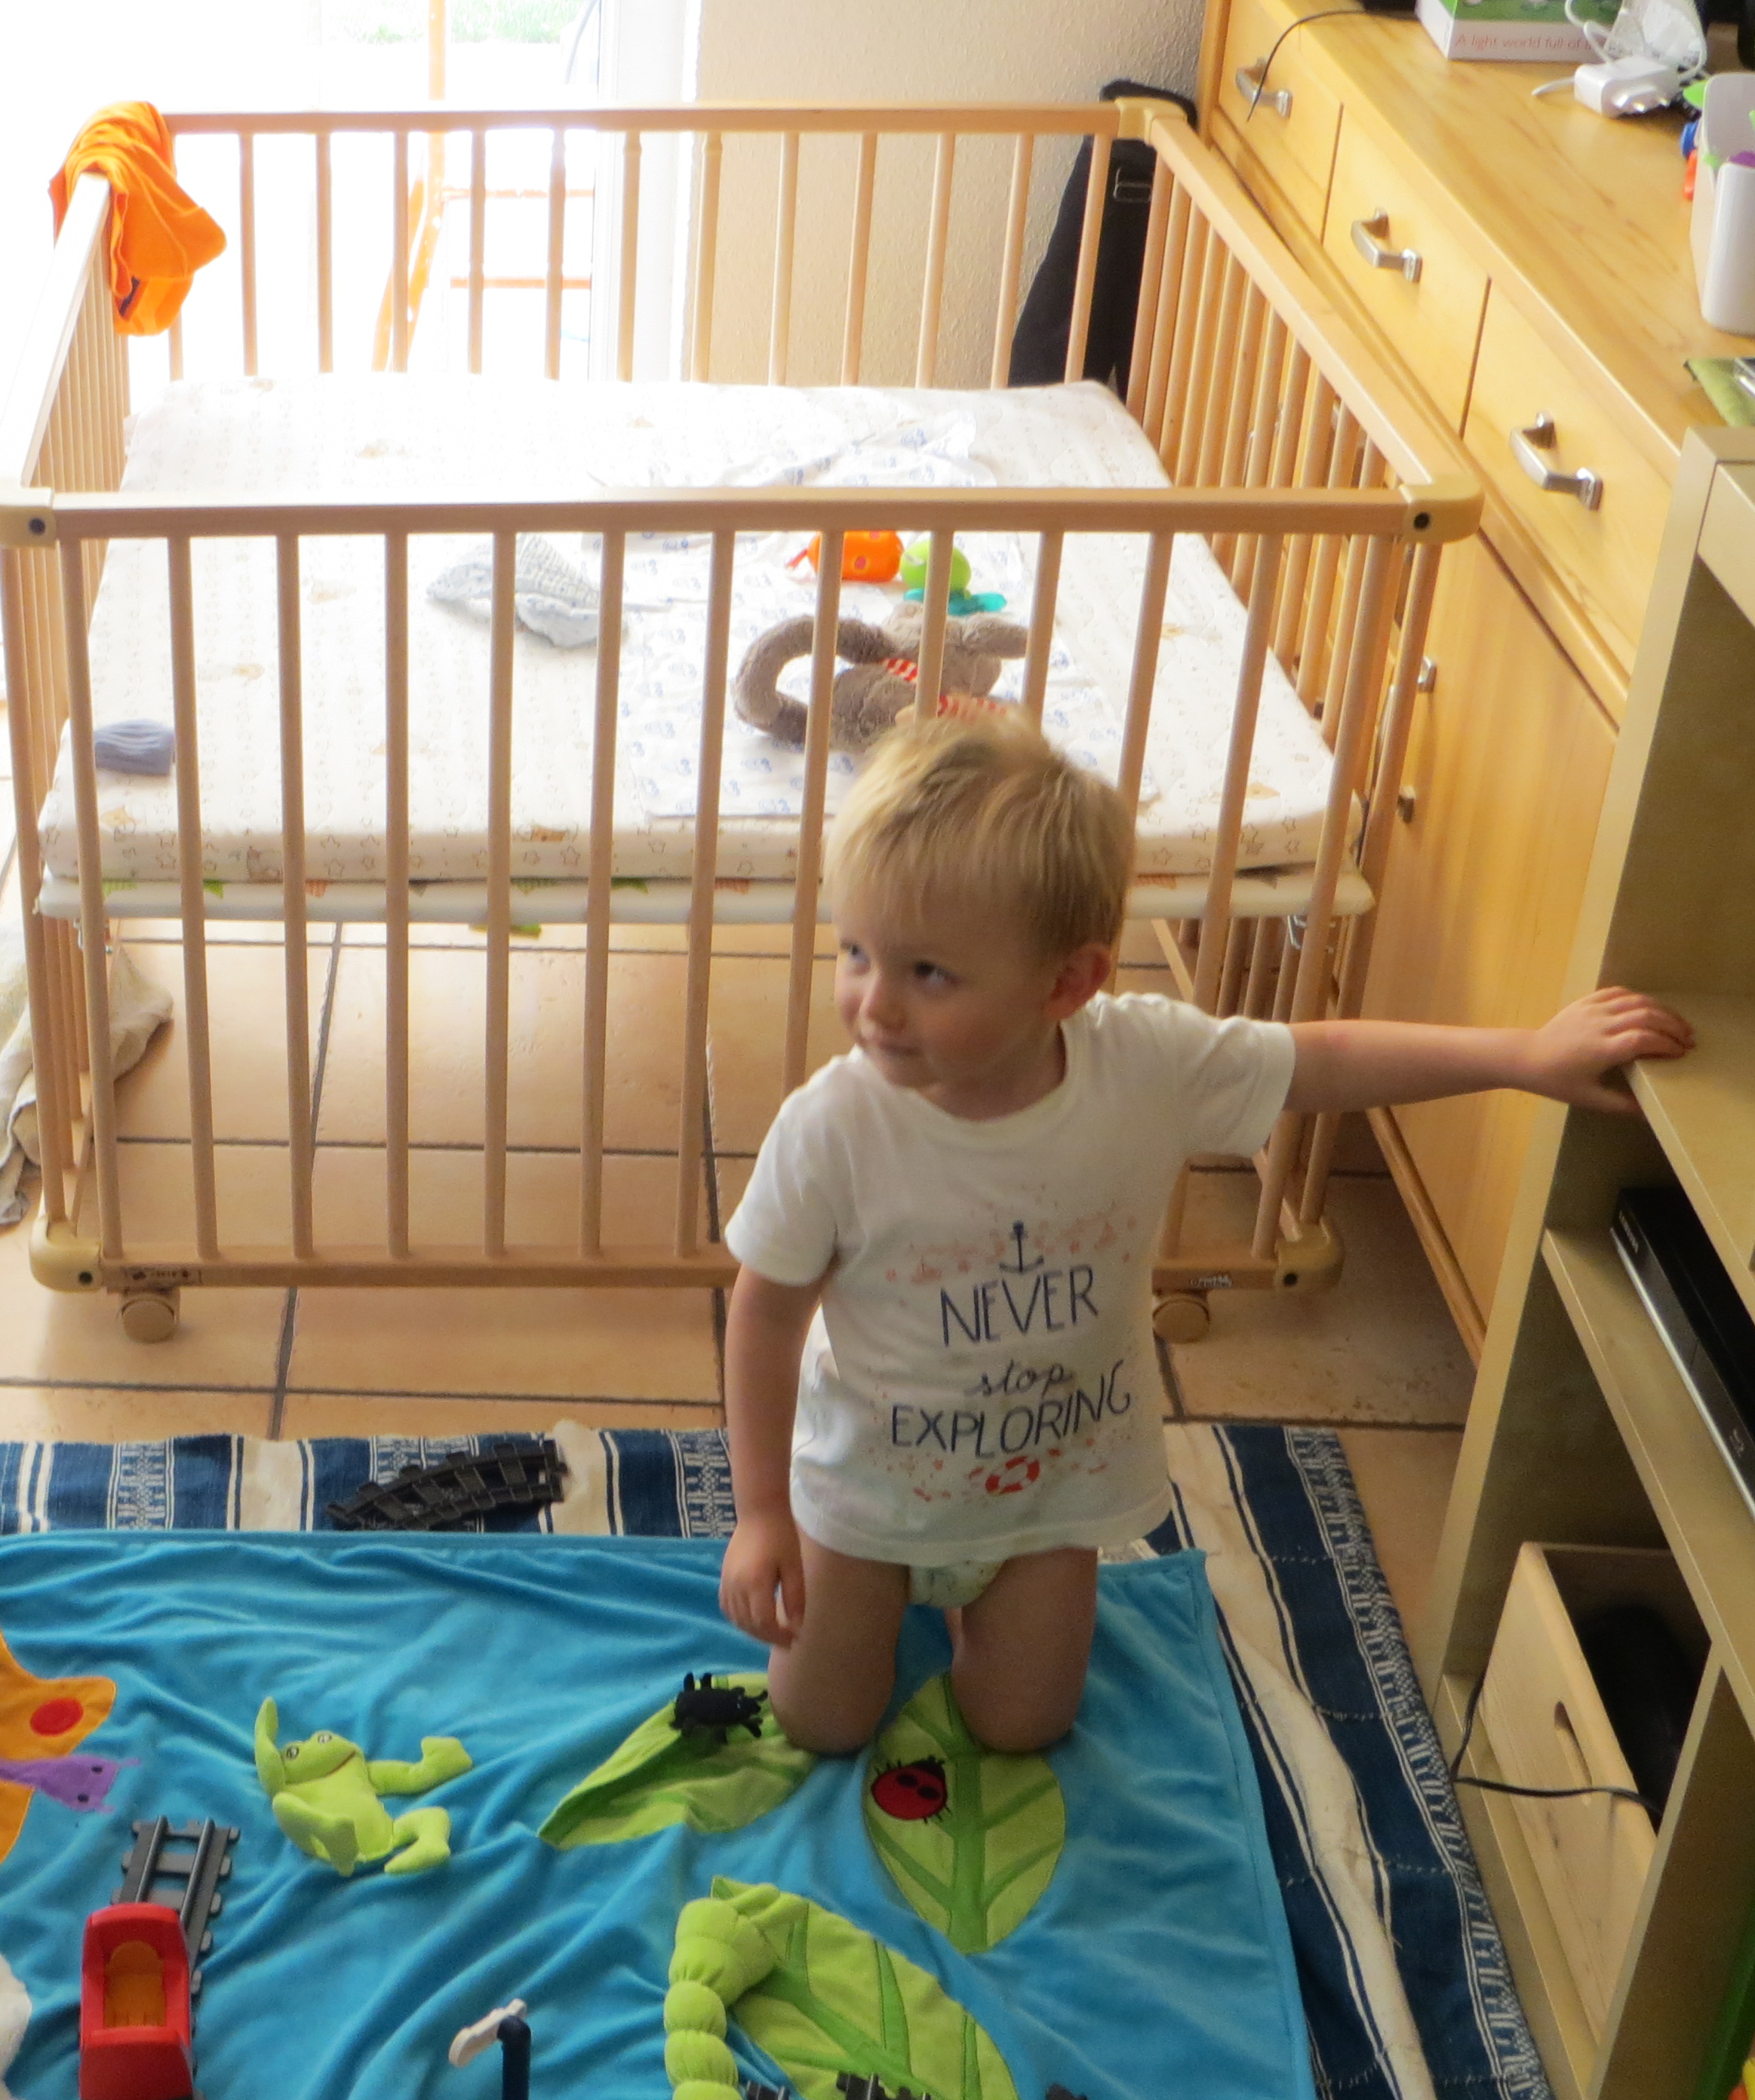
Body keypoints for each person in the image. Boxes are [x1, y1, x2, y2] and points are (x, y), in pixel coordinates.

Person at [715, 711, 1691, 1756]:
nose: (873, 1005)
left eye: (928, 973)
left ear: (1068, 983)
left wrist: (1522, 1058)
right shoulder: (834, 1129)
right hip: (870, 1490)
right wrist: (763, 1511)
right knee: (819, 1724)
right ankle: (893, 1598)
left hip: (1049, 1494)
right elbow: (765, 1317)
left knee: (1022, 1726)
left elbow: (1322, 1060)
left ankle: (974, 1613)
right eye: (856, 952)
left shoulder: (1145, 1065)